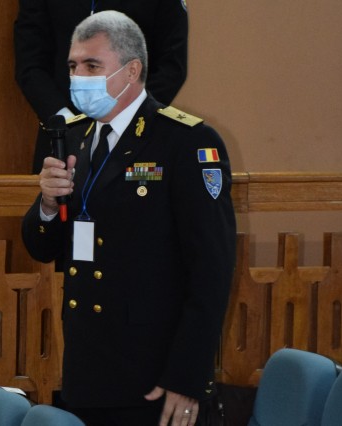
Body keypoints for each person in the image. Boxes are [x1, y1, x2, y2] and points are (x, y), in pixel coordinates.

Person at [21, 11, 236, 426]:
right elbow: (41, 247)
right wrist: (47, 203)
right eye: (72, 66)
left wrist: (187, 377)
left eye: (92, 66)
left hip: (154, 374)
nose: (77, 77)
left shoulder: (184, 141)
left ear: (132, 70)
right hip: (87, 367)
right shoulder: (75, 137)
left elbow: (211, 271)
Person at [14, 0, 188, 173]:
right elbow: (30, 64)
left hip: (136, 136)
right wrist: (67, 124)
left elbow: (171, 66)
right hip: (61, 139)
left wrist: (128, 116)